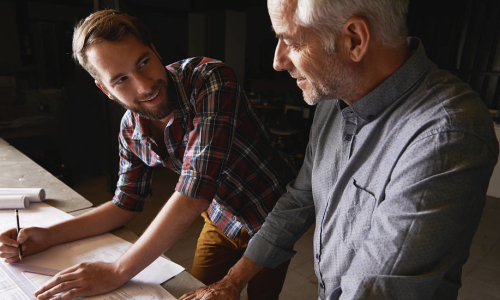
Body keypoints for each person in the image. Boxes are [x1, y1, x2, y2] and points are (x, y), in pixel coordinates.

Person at [179, 0, 500, 299]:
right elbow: (300, 198)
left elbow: (372, 288)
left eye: (291, 42)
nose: (277, 62)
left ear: (354, 41)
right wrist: (231, 281)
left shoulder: (446, 134)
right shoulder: (335, 97)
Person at [0, 9, 296, 300]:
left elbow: (195, 191)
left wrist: (118, 270)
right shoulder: (131, 129)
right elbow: (125, 205)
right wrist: (48, 235)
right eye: (120, 80)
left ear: (155, 51)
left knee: (262, 293)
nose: (144, 86)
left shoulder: (210, 79)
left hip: (271, 215)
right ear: (105, 90)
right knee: (195, 290)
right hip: (220, 218)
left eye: (143, 62)